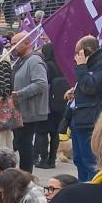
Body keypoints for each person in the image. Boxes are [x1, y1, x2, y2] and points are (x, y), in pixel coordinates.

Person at [68, 35, 102, 181]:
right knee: (79, 160)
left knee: (91, 162)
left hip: (92, 119)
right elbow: (84, 86)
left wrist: (81, 67)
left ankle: (92, 194)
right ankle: (83, 191)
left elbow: (91, 87)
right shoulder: (88, 66)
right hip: (80, 117)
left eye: (78, 52)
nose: (76, 56)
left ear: (86, 51)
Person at [7, 32, 49, 174]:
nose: (13, 47)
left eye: (15, 44)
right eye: (11, 44)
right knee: (20, 143)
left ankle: (26, 176)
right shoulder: (20, 61)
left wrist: (19, 94)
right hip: (20, 110)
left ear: (27, 43)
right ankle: (23, 174)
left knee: (24, 144)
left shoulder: (34, 61)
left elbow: (41, 84)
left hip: (30, 110)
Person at [36, 42, 68, 170]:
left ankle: (43, 159)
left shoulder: (46, 66)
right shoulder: (63, 65)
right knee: (55, 133)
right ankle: (52, 159)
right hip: (60, 104)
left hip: (46, 104)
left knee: (41, 132)